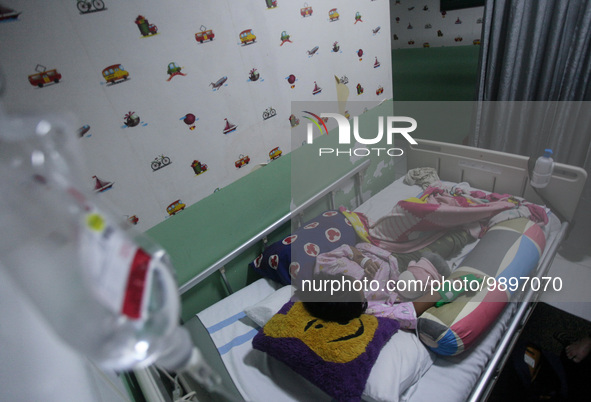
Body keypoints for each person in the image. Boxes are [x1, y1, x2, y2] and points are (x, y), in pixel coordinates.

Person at [298, 243, 480, 329]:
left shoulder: (328, 266)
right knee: (436, 255)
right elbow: (410, 310)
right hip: (402, 278)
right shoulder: (370, 310)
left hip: (387, 254)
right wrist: (451, 288)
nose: (361, 287)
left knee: (426, 238)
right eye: (360, 294)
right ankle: (466, 235)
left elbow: (346, 249)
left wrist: (363, 261)